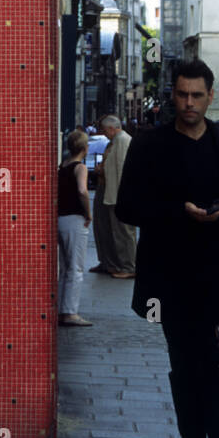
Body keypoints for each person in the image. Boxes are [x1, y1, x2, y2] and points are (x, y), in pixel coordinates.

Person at [115, 58, 219, 438]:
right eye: (181, 94)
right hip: (171, 280)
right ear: (172, 95)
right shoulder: (151, 144)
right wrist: (181, 212)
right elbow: (128, 208)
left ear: (211, 97)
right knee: (186, 367)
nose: (189, 103)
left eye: (197, 95)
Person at [90, 115, 135, 278]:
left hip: (116, 192)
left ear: (111, 128)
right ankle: (108, 262)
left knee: (121, 231)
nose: (103, 133)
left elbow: (122, 169)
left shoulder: (123, 141)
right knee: (104, 228)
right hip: (106, 189)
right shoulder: (113, 141)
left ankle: (127, 266)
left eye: (103, 130)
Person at [57, 129, 93, 327]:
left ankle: (62, 309)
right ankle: (70, 312)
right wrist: (88, 213)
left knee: (64, 268)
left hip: (60, 218)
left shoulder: (62, 166)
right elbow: (82, 191)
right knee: (76, 267)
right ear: (85, 149)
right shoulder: (80, 168)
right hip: (75, 219)